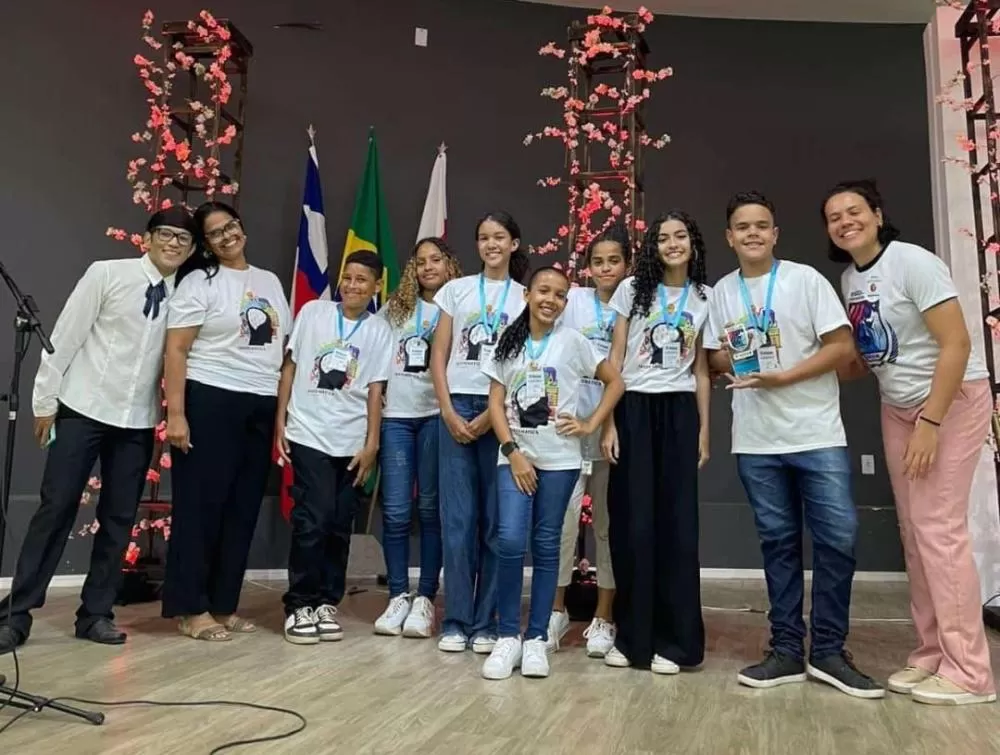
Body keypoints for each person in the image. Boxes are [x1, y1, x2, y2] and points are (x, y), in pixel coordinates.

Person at [704, 190, 884, 699]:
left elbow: (842, 346)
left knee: (838, 537)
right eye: (743, 227)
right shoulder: (721, 291)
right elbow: (714, 357)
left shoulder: (805, 280)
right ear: (730, 237)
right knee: (777, 544)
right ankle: (785, 650)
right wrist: (734, 359)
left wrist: (783, 377)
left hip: (816, 432)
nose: (753, 233)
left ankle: (828, 650)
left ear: (775, 233)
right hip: (756, 441)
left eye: (762, 224)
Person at [824, 179, 996, 705]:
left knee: (939, 531)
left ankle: (970, 672)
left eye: (854, 211)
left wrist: (931, 422)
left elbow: (957, 343)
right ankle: (931, 653)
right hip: (897, 406)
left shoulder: (913, 262)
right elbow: (865, 359)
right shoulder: (851, 277)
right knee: (915, 534)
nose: (845, 221)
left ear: (877, 215)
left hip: (949, 402)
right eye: (833, 216)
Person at [0, 208, 196, 654]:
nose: (173, 244)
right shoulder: (107, 274)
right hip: (83, 408)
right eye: (165, 234)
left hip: (137, 420)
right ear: (147, 238)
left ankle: (96, 613)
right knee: (56, 508)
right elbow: (64, 337)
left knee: (119, 518)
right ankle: (16, 614)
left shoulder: (186, 295)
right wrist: (45, 401)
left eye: (183, 239)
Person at [481, 266, 625, 679]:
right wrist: (512, 452)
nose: (551, 299)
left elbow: (615, 383)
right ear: (527, 294)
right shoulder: (508, 343)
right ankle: (508, 635)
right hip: (514, 459)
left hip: (560, 460)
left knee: (547, 546)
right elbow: (495, 404)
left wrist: (590, 423)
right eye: (543, 291)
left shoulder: (573, 342)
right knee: (509, 539)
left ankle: (536, 639)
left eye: (560, 295)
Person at [161, 201, 291, 642]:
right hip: (211, 398)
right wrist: (176, 415)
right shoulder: (198, 282)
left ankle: (222, 604)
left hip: (260, 402)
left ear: (242, 228)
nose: (226, 236)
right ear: (207, 244)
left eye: (230, 226)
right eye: (215, 233)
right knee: (201, 507)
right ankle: (191, 608)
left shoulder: (269, 281)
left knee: (241, 508)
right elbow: (176, 350)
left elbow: (281, 348)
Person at [599, 211, 712, 674]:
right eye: (663, 237)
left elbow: (702, 369)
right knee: (634, 527)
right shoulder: (632, 290)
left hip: (681, 412)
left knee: (678, 530)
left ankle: (678, 644)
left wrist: (705, 429)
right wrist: (608, 422)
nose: (672, 244)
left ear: (694, 243)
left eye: (681, 235)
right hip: (634, 410)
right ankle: (633, 640)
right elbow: (616, 358)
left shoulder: (707, 296)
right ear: (653, 247)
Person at [275, 250, 393, 644]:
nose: (352, 286)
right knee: (313, 520)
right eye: (348, 277)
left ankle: (327, 600)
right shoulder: (313, 313)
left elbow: (376, 389)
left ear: (376, 286)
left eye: (362, 280)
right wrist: (281, 419)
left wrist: (372, 442)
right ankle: (299, 604)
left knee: (340, 523)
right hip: (309, 432)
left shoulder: (380, 330)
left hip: (351, 440)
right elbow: (290, 366)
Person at [430, 211, 530, 654]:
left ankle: (486, 621)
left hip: (499, 412)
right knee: (457, 521)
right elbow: (439, 355)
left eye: (500, 237)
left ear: (514, 243)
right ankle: (455, 619)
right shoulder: (456, 290)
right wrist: (448, 410)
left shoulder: (526, 296)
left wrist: (493, 415)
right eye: (484, 237)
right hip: (456, 408)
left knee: (494, 522)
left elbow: (523, 363)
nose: (491, 244)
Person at [547, 226, 630, 657]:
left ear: (627, 265)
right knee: (561, 523)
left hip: (611, 430)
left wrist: (608, 423)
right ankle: (556, 610)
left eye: (613, 261)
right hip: (568, 428)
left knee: (607, 525)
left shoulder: (635, 303)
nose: (605, 269)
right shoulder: (574, 300)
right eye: (597, 261)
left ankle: (604, 616)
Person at [373, 238, 462, 638]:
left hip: (434, 417)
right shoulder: (396, 309)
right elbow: (372, 356)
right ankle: (397, 595)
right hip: (397, 419)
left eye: (436, 260)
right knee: (394, 511)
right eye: (421, 261)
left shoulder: (457, 307)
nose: (428, 267)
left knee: (430, 510)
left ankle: (425, 596)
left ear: (449, 265)